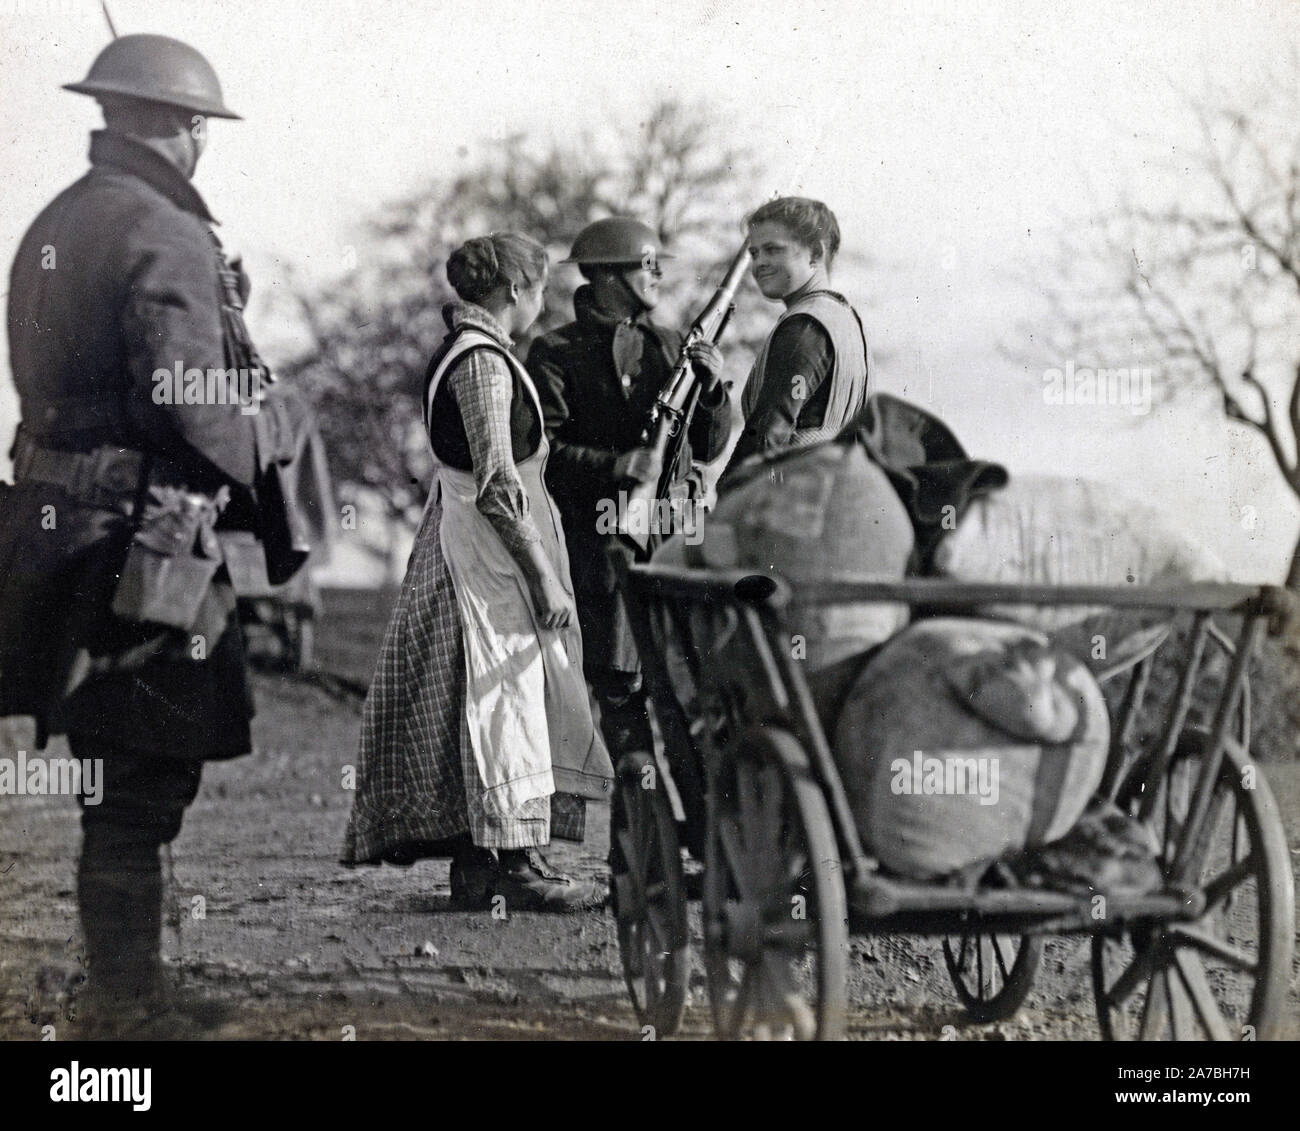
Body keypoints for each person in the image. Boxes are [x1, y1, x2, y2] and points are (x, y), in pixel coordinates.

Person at [1, 34, 301, 1037]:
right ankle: (124, 1010)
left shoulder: (61, 218)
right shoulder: (164, 231)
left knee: (115, 772)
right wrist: (274, 432)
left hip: (59, 527)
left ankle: (127, 994)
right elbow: (187, 405)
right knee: (139, 779)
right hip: (140, 547)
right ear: (188, 129)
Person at [342, 233, 614, 912]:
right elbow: (496, 483)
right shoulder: (482, 363)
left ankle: (480, 864)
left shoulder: (472, 353)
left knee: (477, 698)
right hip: (484, 553)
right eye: (540, 290)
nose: (541, 304)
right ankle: (516, 864)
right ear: (515, 290)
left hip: (469, 543)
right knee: (504, 696)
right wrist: (543, 575)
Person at [526, 218, 729, 767]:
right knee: (621, 688)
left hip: (671, 537)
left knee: (690, 675)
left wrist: (712, 392)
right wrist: (617, 465)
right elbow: (541, 453)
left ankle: (683, 812)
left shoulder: (672, 347)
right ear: (610, 275)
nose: (659, 273)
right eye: (647, 264)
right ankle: (638, 829)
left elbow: (704, 448)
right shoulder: (555, 352)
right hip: (601, 544)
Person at [720, 197, 870, 481]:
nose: (759, 263)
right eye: (754, 253)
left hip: (793, 495)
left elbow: (766, 436)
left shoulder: (805, 325)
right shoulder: (846, 319)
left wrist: (722, 503)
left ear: (815, 253)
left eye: (773, 250)